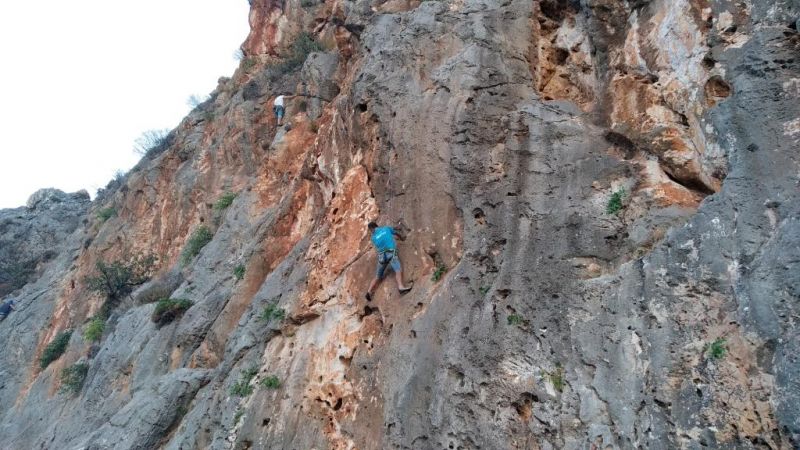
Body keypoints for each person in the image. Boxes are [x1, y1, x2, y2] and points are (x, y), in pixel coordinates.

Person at [365, 222, 412, 301]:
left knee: (377, 276)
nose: (371, 232)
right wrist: (401, 237)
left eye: (370, 230)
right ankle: (400, 287)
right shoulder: (386, 229)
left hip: (382, 258)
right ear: (377, 226)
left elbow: (380, 242)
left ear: (372, 229)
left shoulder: (373, 238)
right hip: (391, 254)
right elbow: (395, 232)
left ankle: (369, 292)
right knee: (398, 270)